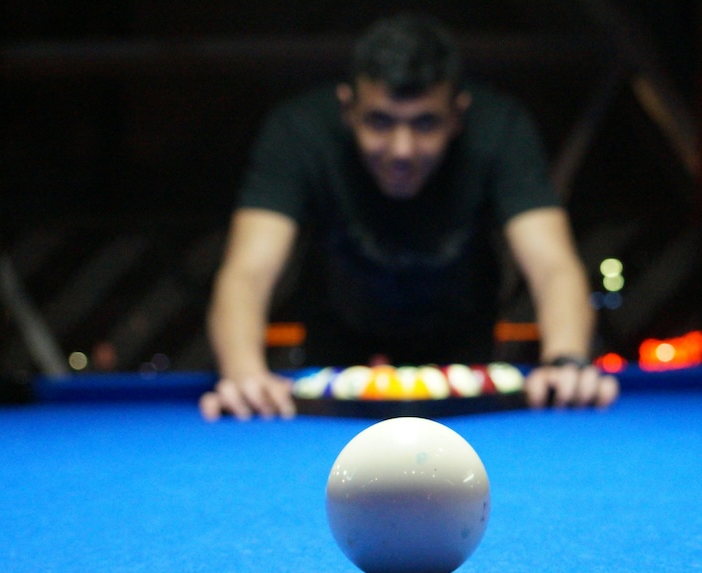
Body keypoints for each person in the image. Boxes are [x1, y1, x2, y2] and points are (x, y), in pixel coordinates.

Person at [199, 13, 619, 420]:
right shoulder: (298, 131)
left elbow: (552, 266)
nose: (402, 150)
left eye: (425, 123)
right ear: (348, 109)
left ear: (458, 114)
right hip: (337, 345)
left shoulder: (501, 130)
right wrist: (244, 374)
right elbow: (248, 271)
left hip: (461, 349)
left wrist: (567, 359)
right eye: (379, 122)